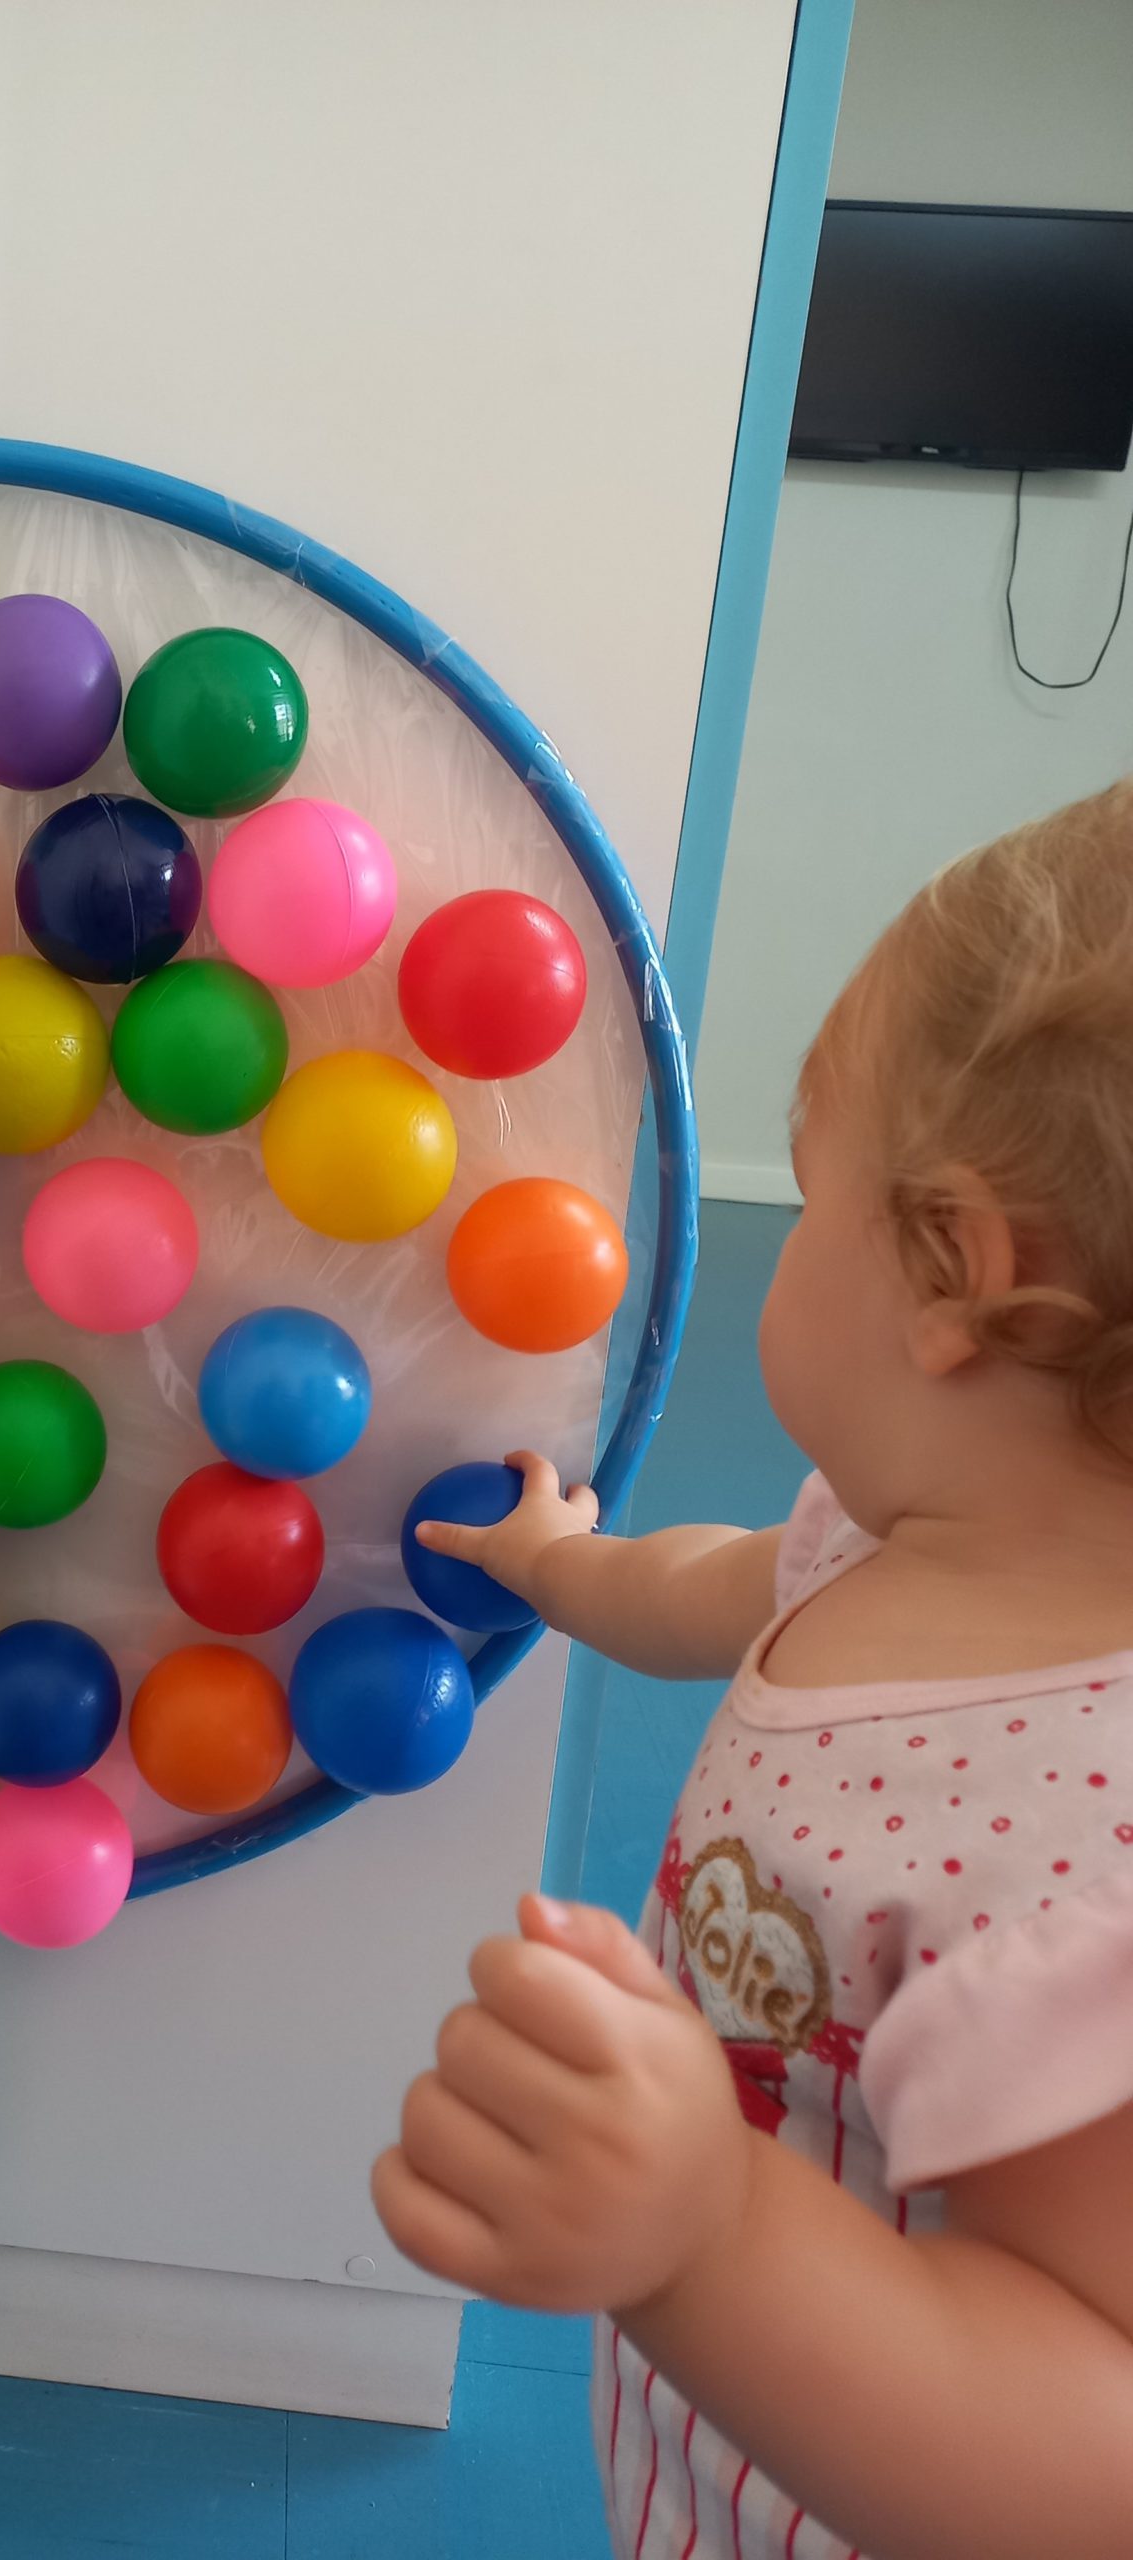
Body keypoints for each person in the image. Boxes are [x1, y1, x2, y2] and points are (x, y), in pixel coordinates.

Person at [374, 781, 1133, 2560]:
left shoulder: (1084, 1874)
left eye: (812, 1198)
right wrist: (558, 1567)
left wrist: (709, 2235)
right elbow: (715, 1591)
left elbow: (1095, 2460)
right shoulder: (887, 1543)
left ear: (958, 1274)